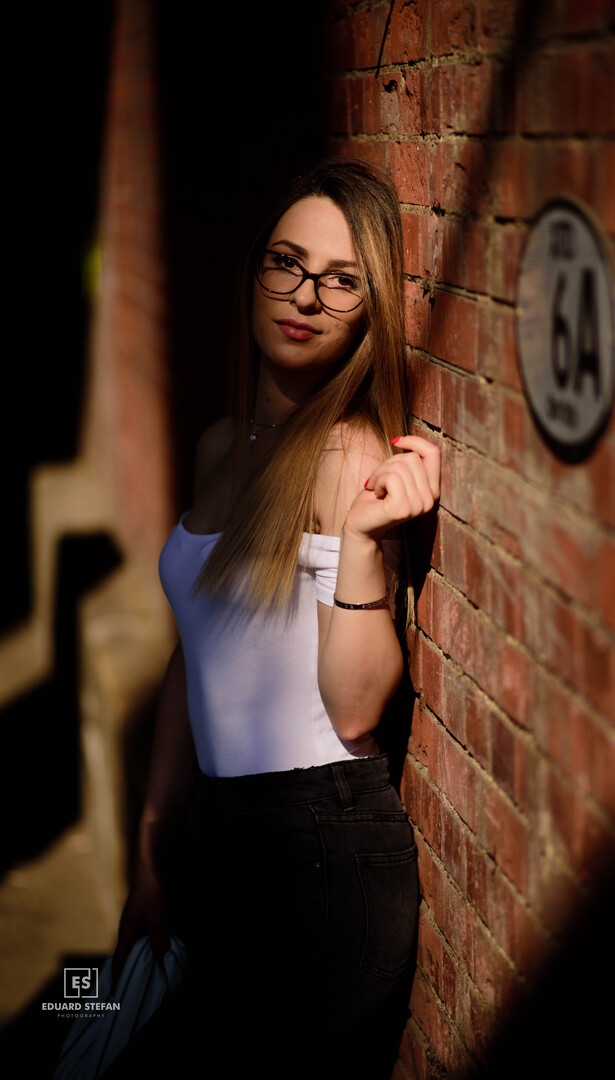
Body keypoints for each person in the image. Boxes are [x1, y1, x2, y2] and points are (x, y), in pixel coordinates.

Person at [108, 158, 440, 1079]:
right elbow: (195, 655)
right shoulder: (224, 441)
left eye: (341, 282)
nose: (303, 297)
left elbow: (356, 712)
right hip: (222, 840)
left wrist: (366, 544)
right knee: (92, 1016)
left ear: (368, 312)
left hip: (318, 862)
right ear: (254, 269)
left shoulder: (347, 456)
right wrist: (150, 839)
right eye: (286, 264)